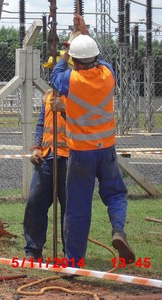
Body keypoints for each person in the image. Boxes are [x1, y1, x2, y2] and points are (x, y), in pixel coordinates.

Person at [50, 15, 135, 267]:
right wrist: (84, 33)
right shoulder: (108, 75)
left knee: (78, 207)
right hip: (106, 149)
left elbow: (56, 73)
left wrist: (68, 49)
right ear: (96, 58)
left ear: (76, 61)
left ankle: (74, 262)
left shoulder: (70, 81)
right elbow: (101, 59)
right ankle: (118, 229)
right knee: (116, 194)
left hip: (81, 154)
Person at [23, 87, 69, 261]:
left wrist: (65, 111)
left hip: (70, 158)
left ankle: (71, 254)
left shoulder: (80, 94)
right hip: (47, 157)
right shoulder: (49, 95)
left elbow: (85, 125)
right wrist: (37, 148)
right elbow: (42, 123)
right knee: (35, 203)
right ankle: (33, 251)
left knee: (69, 208)